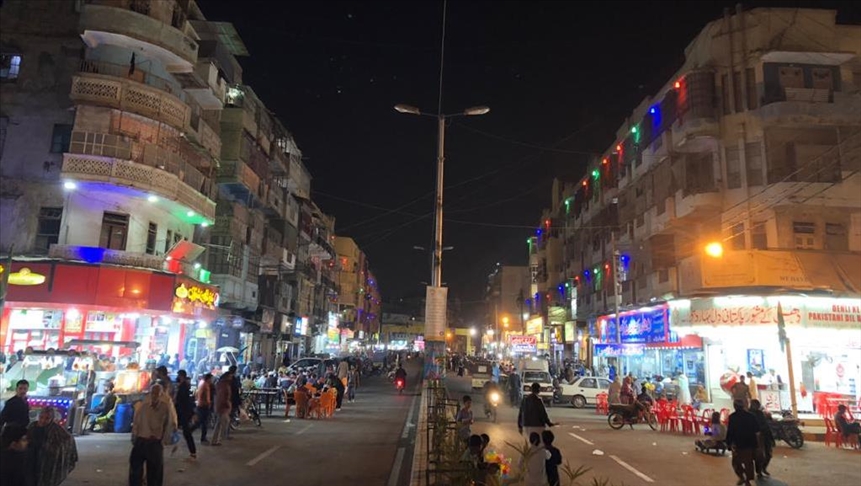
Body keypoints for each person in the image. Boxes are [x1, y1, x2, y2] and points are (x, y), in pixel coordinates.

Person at [129, 383, 176, 486]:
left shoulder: (165, 407)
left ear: (160, 394)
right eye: (153, 393)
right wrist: (134, 437)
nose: (154, 395)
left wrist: (164, 440)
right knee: (136, 471)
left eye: (157, 393)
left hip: (154, 442)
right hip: (142, 440)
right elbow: (136, 423)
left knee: (155, 474)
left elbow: (169, 424)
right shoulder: (143, 407)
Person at [27, 406, 78, 486]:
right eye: (41, 417)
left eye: (47, 418)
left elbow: (67, 441)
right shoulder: (32, 427)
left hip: (48, 466)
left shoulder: (58, 431)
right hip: (32, 461)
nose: (43, 420)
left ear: (52, 418)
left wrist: (49, 448)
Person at [726, 399, 759, 486]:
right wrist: (757, 444)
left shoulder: (732, 417)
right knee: (749, 463)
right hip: (750, 443)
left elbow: (730, 432)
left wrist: (728, 443)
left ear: (735, 406)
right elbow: (757, 431)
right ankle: (748, 480)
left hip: (738, 444)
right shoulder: (751, 416)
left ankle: (742, 477)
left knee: (736, 463)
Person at [173, 370, 197, 460]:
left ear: (181, 376)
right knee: (185, 432)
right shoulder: (183, 386)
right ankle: (192, 452)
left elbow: (183, 401)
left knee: (187, 433)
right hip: (184, 413)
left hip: (183, 413)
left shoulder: (183, 387)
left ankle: (193, 452)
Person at [749, 399, 774, 478]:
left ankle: (763, 468)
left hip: (765, 435)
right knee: (759, 456)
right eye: (755, 405)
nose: (756, 406)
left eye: (757, 405)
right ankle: (759, 471)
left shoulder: (760, 413)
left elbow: (766, 425)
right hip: (756, 437)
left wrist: (771, 438)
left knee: (768, 454)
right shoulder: (749, 414)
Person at [212, 370, 233, 446]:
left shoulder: (221, 384)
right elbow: (222, 396)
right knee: (222, 423)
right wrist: (226, 403)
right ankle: (217, 439)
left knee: (220, 423)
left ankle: (217, 439)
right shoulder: (223, 385)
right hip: (222, 406)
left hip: (221, 405)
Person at [195, 373, 213, 443]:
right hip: (204, 405)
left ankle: (191, 431)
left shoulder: (201, 383)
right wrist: (208, 403)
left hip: (201, 404)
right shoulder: (205, 385)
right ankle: (203, 438)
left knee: (201, 422)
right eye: (211, 379)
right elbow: (205, 396)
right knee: (203, 422)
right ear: (208, 379)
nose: (211, 380)